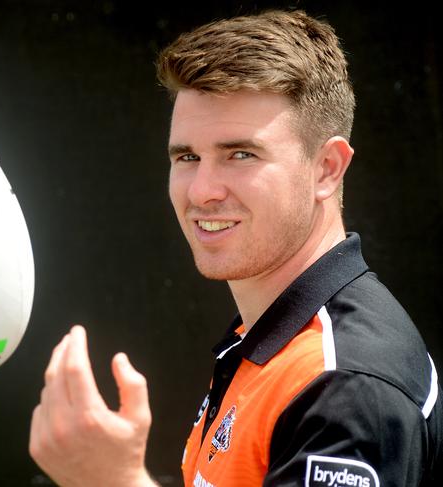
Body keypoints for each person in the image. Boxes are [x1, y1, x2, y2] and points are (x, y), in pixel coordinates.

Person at [28, 9, 443, 486]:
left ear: (327, 168)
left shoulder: (343, 383)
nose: (202, 190)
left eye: (240, 154)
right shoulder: (271, 336)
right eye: (187, 157)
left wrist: (113, 481)